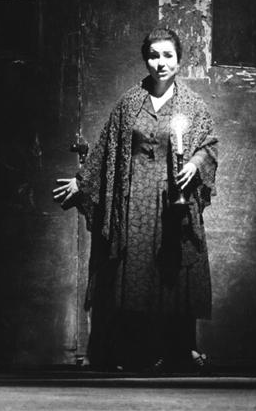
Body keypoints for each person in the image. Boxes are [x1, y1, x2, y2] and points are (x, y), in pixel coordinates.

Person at [53, 27, 218, 372]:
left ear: (179, 60)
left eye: (168, 55)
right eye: (154, 56)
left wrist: (193, 164)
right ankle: (138, 351)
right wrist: (82, 182)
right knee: (136, 273)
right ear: (146, 59)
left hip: (174, 202)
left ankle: (177, 350)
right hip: (134, 201)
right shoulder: (130, 103)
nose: (161, 62)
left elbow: (208, 146)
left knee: (173, 272)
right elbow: (107, 147)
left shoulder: (193, 105)